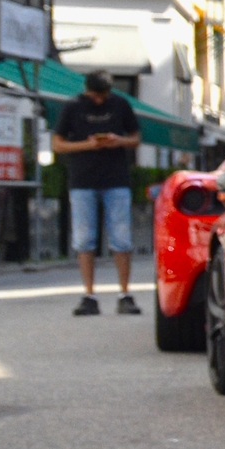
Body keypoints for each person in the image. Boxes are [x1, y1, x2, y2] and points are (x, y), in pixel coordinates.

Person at [54, 72, 141, 317]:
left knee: (122, 239)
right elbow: (58, 144)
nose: (100, 101)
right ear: (87, 91)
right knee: (84, 240)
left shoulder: (121, 104)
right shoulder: (72, 106)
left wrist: (119, 141)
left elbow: (136, 138)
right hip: (82, 180)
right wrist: (88, 145)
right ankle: (89, 294)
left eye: (104, 96)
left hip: (116, 179)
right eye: (95, 96)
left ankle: (125, 294)